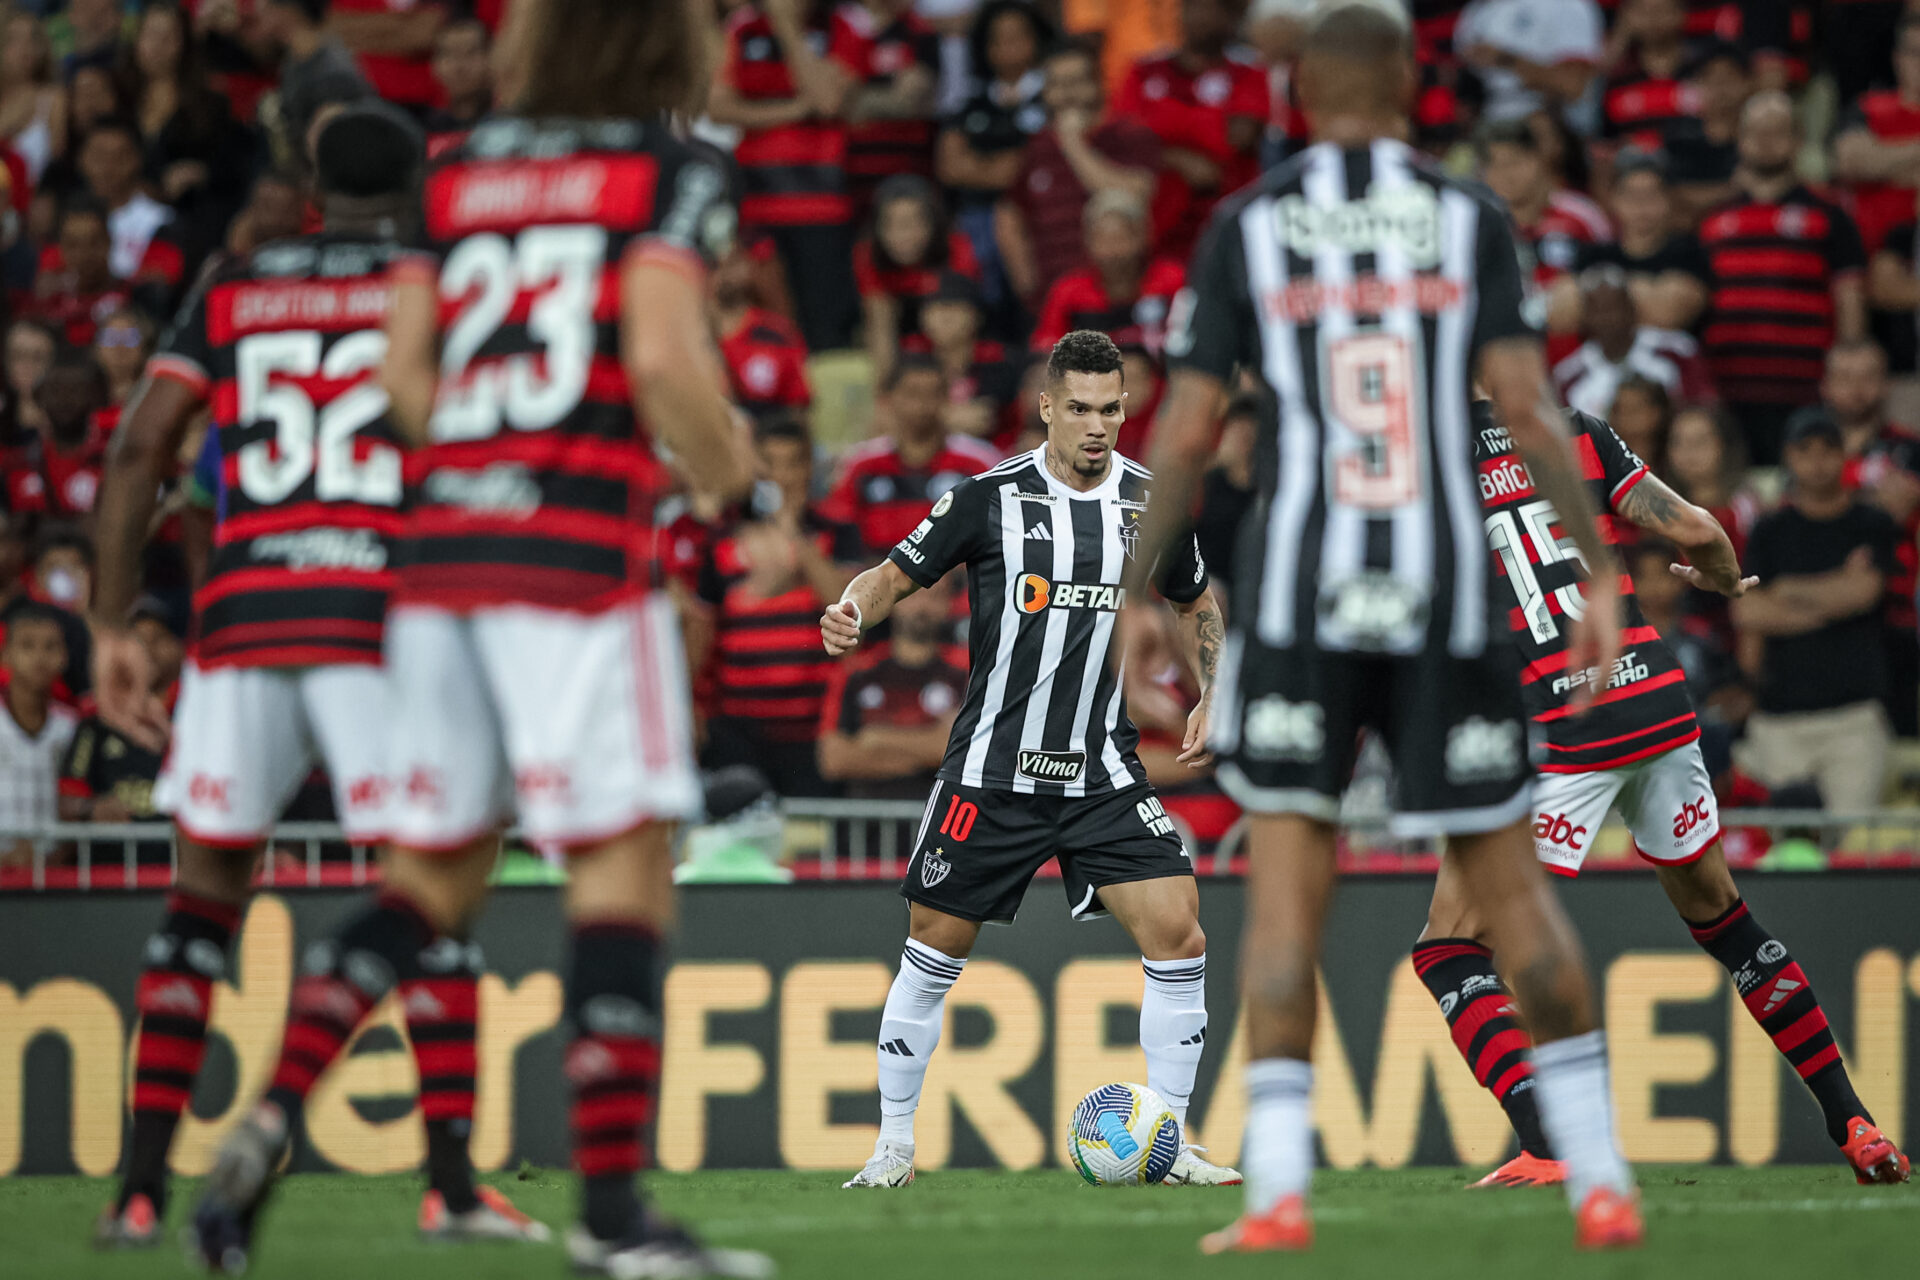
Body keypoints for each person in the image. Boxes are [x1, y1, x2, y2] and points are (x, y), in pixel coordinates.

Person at [185, 4, 766, 1273]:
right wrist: (740, 484)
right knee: (621, 871)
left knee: (427, 883)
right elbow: (666, 358)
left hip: (438, 568)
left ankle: (264, 1123)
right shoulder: (672, 173)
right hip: (581, 567)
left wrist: (486, 460)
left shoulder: (450, 170)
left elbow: (400, 382)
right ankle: (614, 1219)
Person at [1135, 2, 1640, 1251]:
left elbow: (1190, 427)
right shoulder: (1470, 218)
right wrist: (1598, 573)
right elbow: (1526, 403)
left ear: (1300, 93)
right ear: (1414, 87)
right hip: (1446, 599)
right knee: (1517, 903)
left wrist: (1136, 594)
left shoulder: (1247, 225)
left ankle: (1278, 1197)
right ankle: (1601, 1179)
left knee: (1288, 905)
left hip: (1306, 598)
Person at [88, 104, 540, 1253]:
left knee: (201, 903)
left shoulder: (237, 285)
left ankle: (137, 1194)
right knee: (431, 891)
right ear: (417, 190)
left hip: (242, 618)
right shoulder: (430, 280)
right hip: (380, 614)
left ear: (310, 193)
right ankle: (447, 1182)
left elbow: (142, 445)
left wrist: (108, 623)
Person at [1414, 399, 1909, 1191]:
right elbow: (1701, 531)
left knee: (1450, 948)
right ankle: (1854, 1122)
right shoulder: (1571, 425)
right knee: (1725, 919)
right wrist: (1720, 581)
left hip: (1562, 728)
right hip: (1653, 699)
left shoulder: (1427, 448)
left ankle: (1551, 1139)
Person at [823, 330, 1239, 1191]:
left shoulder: (1152, 504)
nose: (1097, 426)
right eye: (1080, 408)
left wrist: (1213, 689)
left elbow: (1197, 599)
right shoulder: (985, 499)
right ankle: (892, 1145)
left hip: (1101, 771)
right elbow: (896, 573)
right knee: (931, 950)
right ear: (1046, 407)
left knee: (1181, 931)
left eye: (1112, 409)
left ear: (1127, 409)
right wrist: (851, 610)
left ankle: (1169, 1138)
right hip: (990, 771)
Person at [1732, 413, 1901, 814]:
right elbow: (1748, 614)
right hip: (1779, 721)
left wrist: (1787, 590)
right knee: (1781, 846)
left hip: (1854, 718)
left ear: (1844, 455)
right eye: (1805, 450)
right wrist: (1835, 597)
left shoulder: (1871, 523)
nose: (1818, 461)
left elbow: (1864, 593)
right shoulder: (1768, 530)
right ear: (1788, 457)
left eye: (1828, 449)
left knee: (1852, 849)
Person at [691, 416, 862, 797]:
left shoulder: (837, 533)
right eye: (770, 463)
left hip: (814, 731)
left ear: (809, 468)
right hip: (738, 732)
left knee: (812, 849)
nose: (782, 476)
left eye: (793, 463)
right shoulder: (721, 538)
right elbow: (701, 633)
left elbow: (848, 610)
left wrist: (792, 534)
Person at [1698, 91, 1867, 465]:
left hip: (1806, 393)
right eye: (1755, 131)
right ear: (1740, 140)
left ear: (1797, 140)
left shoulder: (1830, 216)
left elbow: (1850, 301)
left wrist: (1844, 378)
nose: (1765, 140)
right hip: (1729, 393)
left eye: (1777, 131)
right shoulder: (1712, 223)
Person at [709, 0, 869, 353]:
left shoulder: (843, 27)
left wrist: (786, 26)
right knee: (769, 324)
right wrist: (796, 108)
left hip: (821, 208)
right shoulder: (741, 28)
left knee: (825, 328)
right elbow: (718, 107)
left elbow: (828, 101)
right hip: (757, 204)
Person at [996, 37, 1161, 311]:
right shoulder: (1038, 146)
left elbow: (1135, 193)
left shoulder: (1129, 134)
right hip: (1057, 301)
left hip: (1124, 298)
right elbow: (1010, 211)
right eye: (1057, 84)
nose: (1067, 93)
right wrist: (1026, 284)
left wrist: (1072, 143)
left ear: (1098, 84)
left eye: (1076, 82)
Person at [1115, 0, 1270, 258]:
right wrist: (1178, 157)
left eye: (1212, 7)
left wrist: (1161, 123)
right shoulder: (1143, 71)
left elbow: (1235, 139)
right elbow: (1122, 140)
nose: (1201, 15)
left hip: (1230, 226)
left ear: (1231, 16)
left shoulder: (1249, 72)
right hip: (1156, 232)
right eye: (1192, 6)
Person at [824, 354, 1002, 559]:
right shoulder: (860, 465)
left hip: (957, 582)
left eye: (932, 394)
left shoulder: (979, 463)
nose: (922, 405)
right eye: (912, 394)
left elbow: (996, 536)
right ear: (889, 398)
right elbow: (842, 540)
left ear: (946, 398)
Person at [817, 571, 966, 801]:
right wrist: (929, 750)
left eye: (935, 596)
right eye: (913, 596)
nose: (922, 607)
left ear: (949, 604)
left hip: (938, 823)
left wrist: (877, 739)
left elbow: (963, 754)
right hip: (865, 828)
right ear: (892, 602)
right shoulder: (856, 673)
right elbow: (834, 759)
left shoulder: (967, 672)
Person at [1560, 150, 1710, 334]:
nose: (1641, 206)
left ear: (1669, 199)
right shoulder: (1594, 254)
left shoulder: (1688, 251)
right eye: (1631, 195)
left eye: (1651, 195)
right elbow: (1562, 309)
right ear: (1614, 199)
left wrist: (1600, 293)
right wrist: (1649, 293)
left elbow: (1669, 313)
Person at [1031, 189, 1185, 356]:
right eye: (1102, 239)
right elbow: (1046, 351)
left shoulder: (1173, 281)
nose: (1112, 251)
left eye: (1121, 238)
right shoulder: (1068, 293)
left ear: (1143, 236)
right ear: (1087, 241)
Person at [856, 174, 978, 380]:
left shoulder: (956, 248)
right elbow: (880, 324)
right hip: (900, 330)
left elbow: (960, 321)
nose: (902, 235)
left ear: (932, 222)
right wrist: (887, 388)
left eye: (913, 223)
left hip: (950, 331)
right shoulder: (867, 254)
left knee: (946, 319)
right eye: (891, 224)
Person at [1551, 266, 1713, 420]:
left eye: (1614, 307)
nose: (1608, 319)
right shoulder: (1568, 377)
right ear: (1585, 318)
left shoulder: (1677, 352)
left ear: (1631, 308)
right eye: (1597, 311)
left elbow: (1706, 413)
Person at [1832, 14, 1920, 256]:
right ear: (1897, 58)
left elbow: (1869, 162)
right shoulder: (1868, 107)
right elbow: (1851, 162)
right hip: (1869, 253)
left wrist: (1883, 162)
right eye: (1914, 52)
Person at [0, 603, 77, 871]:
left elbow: (76, 811)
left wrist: (50, 859)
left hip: (53, 876)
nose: (39, 657)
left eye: (50, 646)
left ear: (64, 656)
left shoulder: (72, 728)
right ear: (6, 655)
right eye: (27, 646)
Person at [1453, 0, 1603, 124]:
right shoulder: (1474, 12)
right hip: (1489, 129)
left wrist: (1507, 59)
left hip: (1549, 127)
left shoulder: (1566, 5)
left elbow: (1575, 86)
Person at [713, 243, 813, 423]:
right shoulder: (683, 335)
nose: (725, 274)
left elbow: (797, 407)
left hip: (765, 440)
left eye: (733, 264)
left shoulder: (776, 334)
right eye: (714, 265)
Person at [330, 0, 448, 115]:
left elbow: (422, 38)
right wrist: (409, 25)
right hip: (368, 97)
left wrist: (365, 27)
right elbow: (341, 35)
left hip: (429, 101)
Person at [423, 16, 492, 149]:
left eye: (471, 53)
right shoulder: (422, 132)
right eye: (448, 54)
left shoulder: (510, 128)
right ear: (434, 65)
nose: (459, 67)